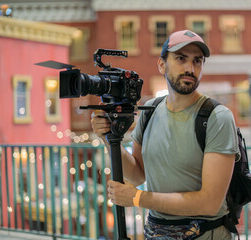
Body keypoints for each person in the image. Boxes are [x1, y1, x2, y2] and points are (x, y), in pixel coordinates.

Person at [91, 30, 239, 239]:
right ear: (162, 64)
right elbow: (137, 174)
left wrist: (138, 198)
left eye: (197, 61)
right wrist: (107, 138)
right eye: (181, 59)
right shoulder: (150, 110)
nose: (190, 68)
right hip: (156, 233)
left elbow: (210, 203)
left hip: (205, 234)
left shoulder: (217, 117)